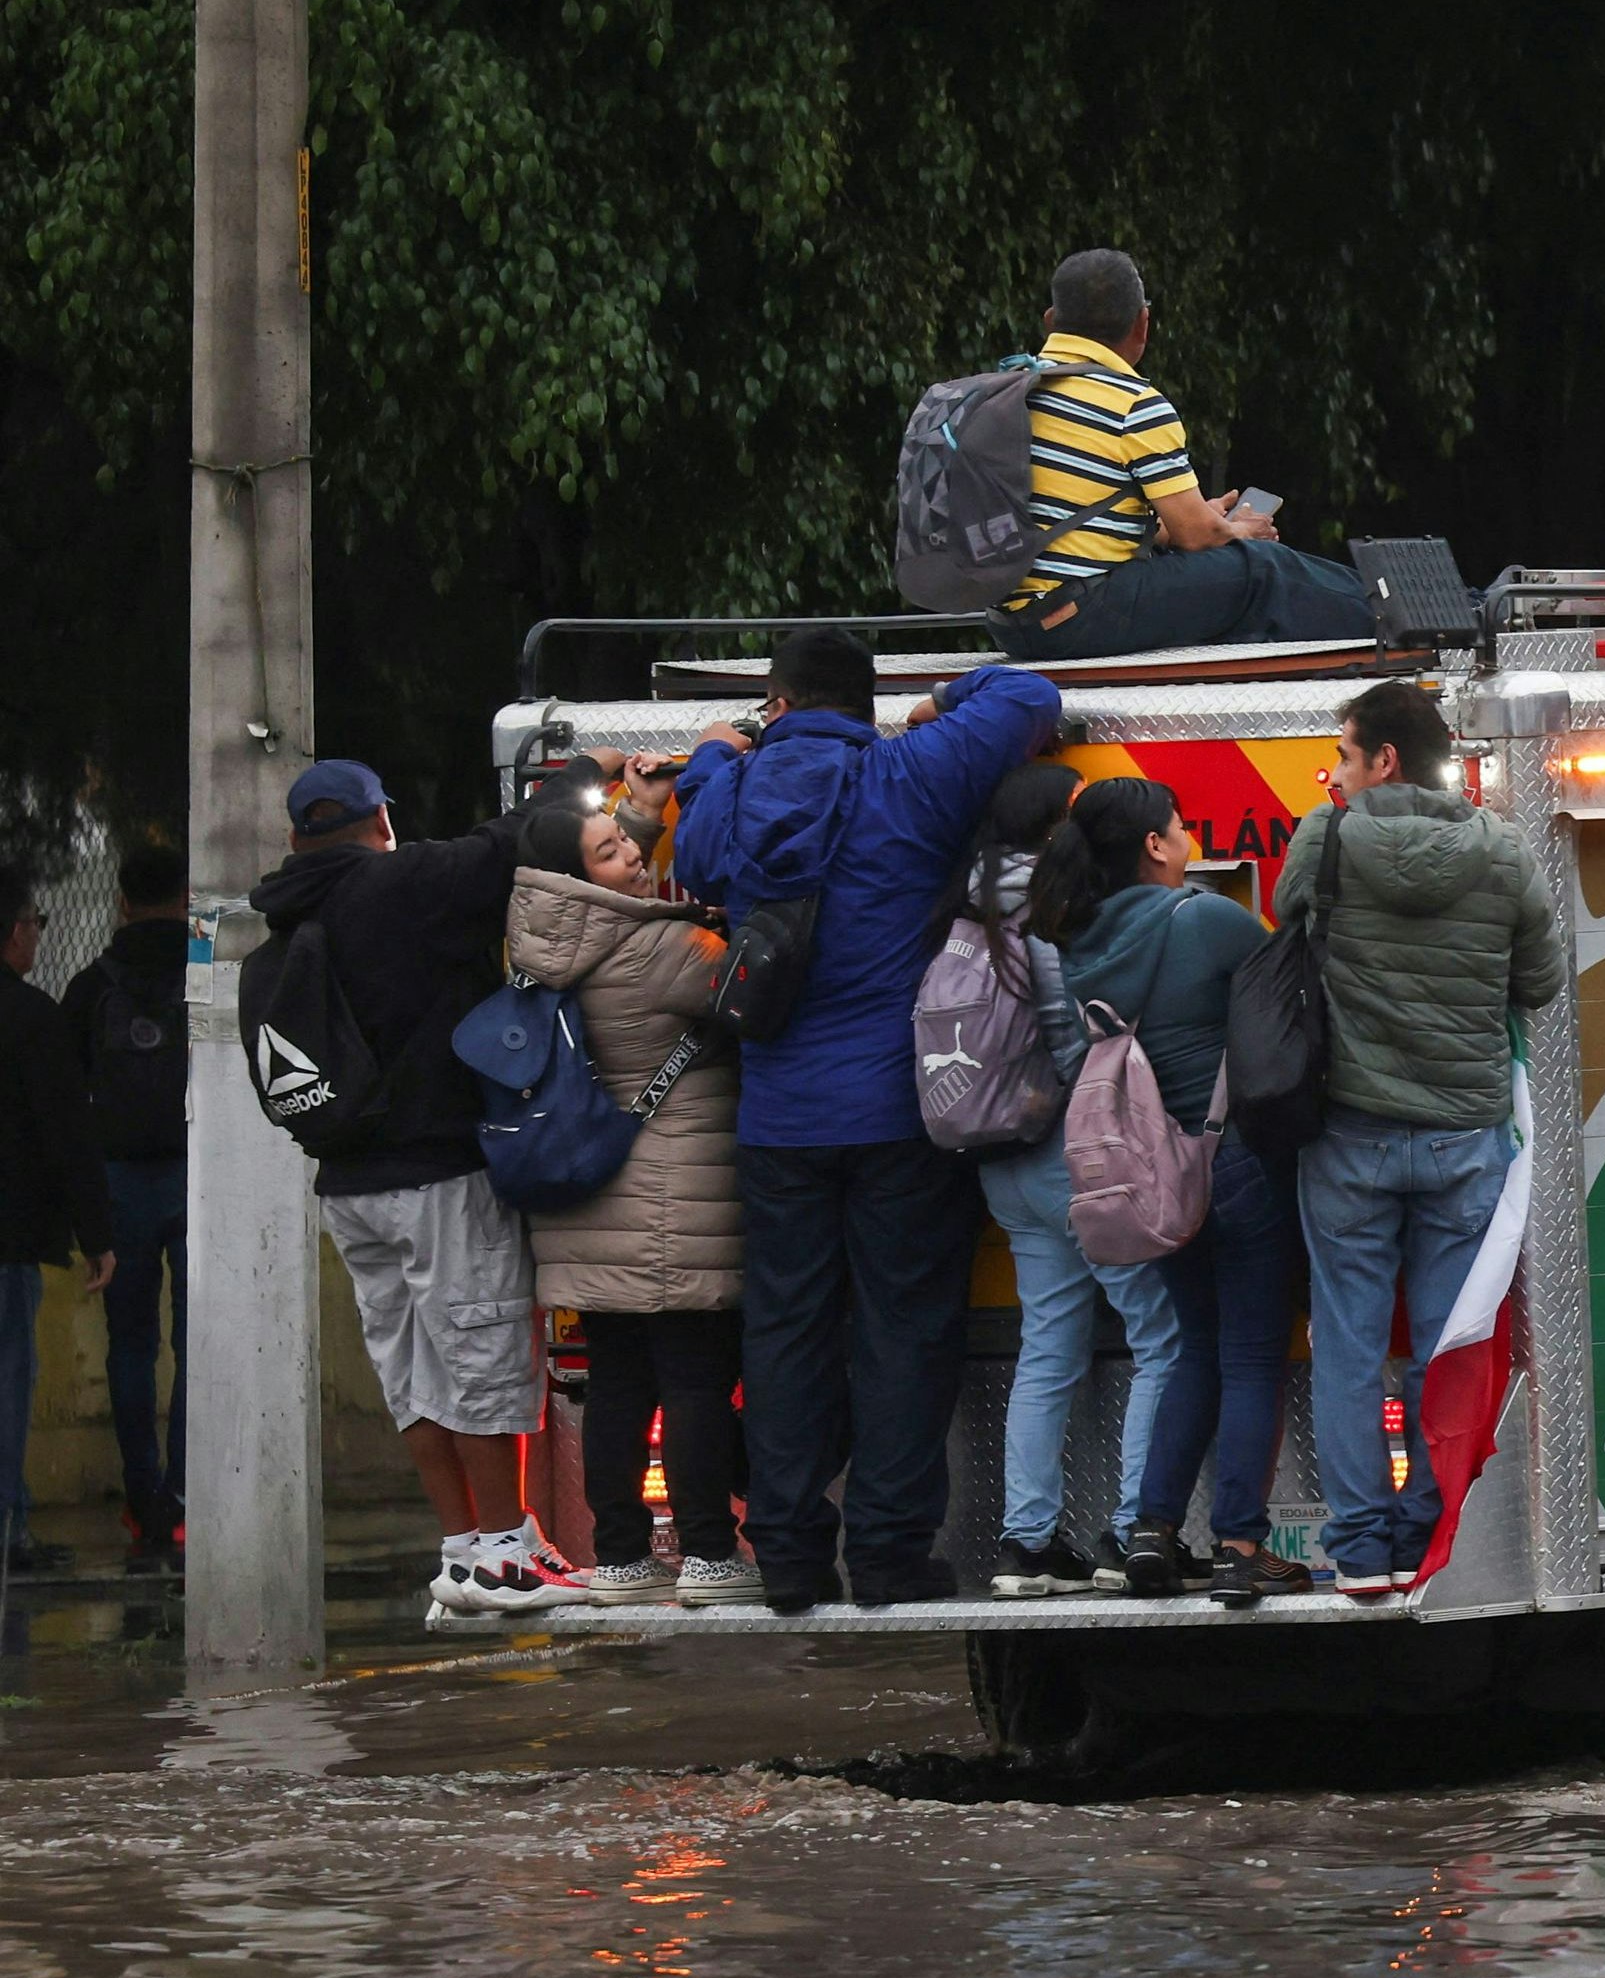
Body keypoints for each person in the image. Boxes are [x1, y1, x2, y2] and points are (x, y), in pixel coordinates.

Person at [675, 633, 1064, 1612]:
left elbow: (692, 852)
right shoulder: (912, 770)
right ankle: (890, 1556)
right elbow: (1028, 691)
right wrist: (944, 697)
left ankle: (792, 1559)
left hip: (777, 1121)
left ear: (778, 702)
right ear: (867, 700)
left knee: (787, 1335)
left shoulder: (740, 785)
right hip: (901, 1111)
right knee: (903, 1330)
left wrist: (719, 749)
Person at [250, 760, 576, 1611]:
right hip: (435, 1176)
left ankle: (464, 1551)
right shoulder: (398, 886)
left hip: (347, 1187)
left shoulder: (280, 931)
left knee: (415, 1371)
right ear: (382, 820)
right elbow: (510, 841)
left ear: (296, 840)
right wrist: (581, 775)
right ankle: (509, 1553)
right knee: (478, 1351)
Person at [1274, 682, 1562, 1593]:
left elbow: (1288, 923)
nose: (1338, 772)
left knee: (1352, 1347)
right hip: (1462, 1140)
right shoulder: (1505, 854)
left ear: (1384, 760)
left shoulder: (1325, 839)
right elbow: (1542, 985)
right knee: (1452, 1346)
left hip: (1349, 1139)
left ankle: (1360, 1550)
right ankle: (1439, 1541)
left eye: (1346, 756)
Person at [1036, 777, 1308, 1604]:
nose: (1188, 835)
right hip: (1234, 1163)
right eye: (1181, 825)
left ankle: (1152, 1530)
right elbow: (1284, 1007)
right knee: (1254, 1353)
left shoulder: (1077, 939)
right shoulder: (1210, 919)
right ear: (1155, 845)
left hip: (1152, 1175)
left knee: (1197, 1346)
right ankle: (1238, 1544)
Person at [506, 766, 758, 1608]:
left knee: (618, 1380)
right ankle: (710, 1555)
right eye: (611, 852)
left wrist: (638, 818)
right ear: (581, 878)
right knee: (693, 1381)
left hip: (589, 1197)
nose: (635, 860)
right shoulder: (663, 949)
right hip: (672, 1200)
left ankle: (618, 1556)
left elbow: (612, 900)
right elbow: (753, 985)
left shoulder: (537, 941)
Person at [986, 248, 1376, 662]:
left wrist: (1198, 517)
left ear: (1051, 321)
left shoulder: (1011, 391)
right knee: (1261, 569)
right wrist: (1239, 530)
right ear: (1143, 323)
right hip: (1081, 618)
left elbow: (1085, 526)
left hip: (1012, 625)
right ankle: (1396, 616)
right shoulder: (1131, 402)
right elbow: (1199, 537)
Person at [960, 763, 1125, 1597]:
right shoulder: (1052, 906)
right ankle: (1137, 1532)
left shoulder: (971, 897)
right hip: (1072, 1154)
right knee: (1161, 1336)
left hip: (1003, 1159)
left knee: (1046, 1350)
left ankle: (1028, 1545)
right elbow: (1071, 1030)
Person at [62, 843, 189, 1570]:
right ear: (184, 896)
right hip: (194, 1175)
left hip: (118, 1184)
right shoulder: (205, 974)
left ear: (120, 901)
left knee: (131, 1346)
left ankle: (144, 1501)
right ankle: (186, 1496)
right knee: (197, 1345)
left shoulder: (89, 987)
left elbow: (69, 1103)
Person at [0, 875, 111, 1575]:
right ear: (15, 932)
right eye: (36, 922)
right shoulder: (33, 1018)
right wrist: (95, 1233)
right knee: (10, 1379)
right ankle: (8, 1527)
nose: (39, 934)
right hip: (9, 1237)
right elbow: (67, 1132)